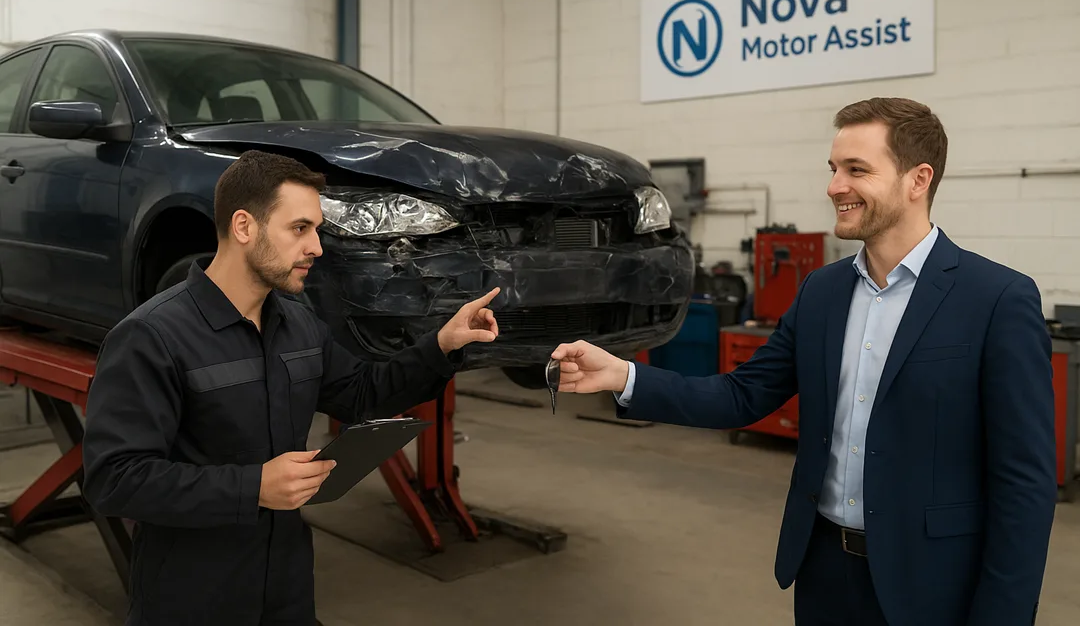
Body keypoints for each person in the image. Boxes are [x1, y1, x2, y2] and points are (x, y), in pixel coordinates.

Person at [551, 97, 1057, 626]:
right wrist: (623, 375)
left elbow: (1024, 484)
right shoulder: (822, 292)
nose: (835, 186)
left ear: (918, 180)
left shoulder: (996, 299)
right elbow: (743, 394)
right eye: (834, 169)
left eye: (857, 170)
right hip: (823, 574)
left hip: (933, 584)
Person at [82, 150, 500, 626]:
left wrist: (442, 345)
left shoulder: (298, 324)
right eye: (300, 228)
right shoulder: (152, 337)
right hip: (191, 598)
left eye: (316, 229)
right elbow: (113, 478)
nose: (317, 247)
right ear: (244, 227)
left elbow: (362, 392)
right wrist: (253, 486)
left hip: (287, 589)